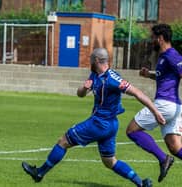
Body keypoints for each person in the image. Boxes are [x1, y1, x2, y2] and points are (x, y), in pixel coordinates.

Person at [22, 48, 166, 187]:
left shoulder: (112, 79)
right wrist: (84, 88)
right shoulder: (95, 75)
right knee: (109, 161)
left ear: (96, 60)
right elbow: (80, 94)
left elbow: (137, 93)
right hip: (110, 125)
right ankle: (141, 183)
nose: (89, 62)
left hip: (99, 123)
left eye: (91, 59)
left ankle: (39, 173)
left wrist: (156, 112)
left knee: (63, 141)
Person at [126, 23, 182, 183]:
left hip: (165, 104)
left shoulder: (172, 55)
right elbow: (166, 77)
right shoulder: (164, 57)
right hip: (174, 107)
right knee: (175, 147)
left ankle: (163, 159)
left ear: (160, 38)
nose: (152, 41)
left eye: (153, 38)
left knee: (132, 130)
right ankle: (166, 157)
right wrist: (149, 74)